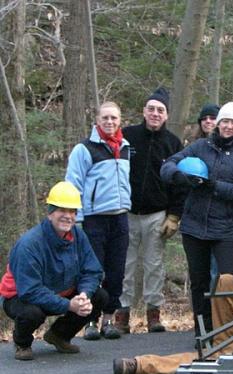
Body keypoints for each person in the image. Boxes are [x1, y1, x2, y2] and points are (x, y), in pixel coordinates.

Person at [160, 102, 233, 335]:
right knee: (199, 282)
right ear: (218, 123)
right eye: (225, 121)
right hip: (194, 227)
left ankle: (228, 329)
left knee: (228, 281)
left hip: (227, 229)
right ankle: (202, 331)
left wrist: (214, 186)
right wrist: (180, 177)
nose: (229, 126)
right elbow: (167, 166)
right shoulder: (199, 147)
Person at [0, 182, 106, 360]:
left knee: (100, 296)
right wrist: (68, 305)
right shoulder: (29, 244)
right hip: (19, 297)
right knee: (31, 313)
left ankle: (59, 335)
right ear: (50, 213)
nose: (68, 216)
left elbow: (92, 271)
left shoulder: (78, 236)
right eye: (62, 211)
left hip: (61, 292)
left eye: (72, 211)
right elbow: (30, 291)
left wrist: (84, 295)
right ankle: (22, 342)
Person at [115, 87, 185, 334]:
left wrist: (174, 215)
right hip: (126, 212)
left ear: (166, 115)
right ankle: (121, 314)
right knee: (125, 264)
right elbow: (115, 172)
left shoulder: (173, 143)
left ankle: (153, 313)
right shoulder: (127, 137)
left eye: (161, 110)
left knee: (154, 265)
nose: (155, 114)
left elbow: (180, 184)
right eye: (152, 109)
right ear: (144, 112)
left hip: (157, 215)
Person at [66, 101, 131, 340]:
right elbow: (73, 185)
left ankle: (108, 320)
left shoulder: (124, 147)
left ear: (120, 120)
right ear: (97, 120)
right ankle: (90, 322)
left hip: (120, 218)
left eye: (114, 118)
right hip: (94, 220)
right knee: (94, 272)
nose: (110, 122)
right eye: (105, 118)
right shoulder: (84, 150)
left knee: (116, 272)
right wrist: (77, 220)